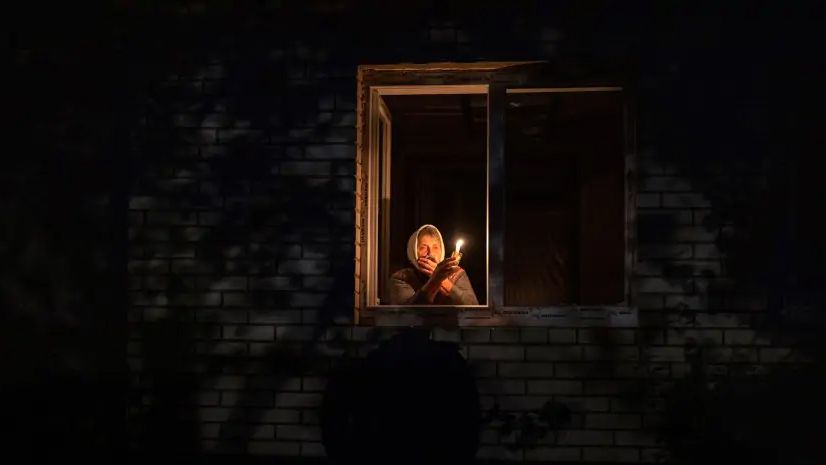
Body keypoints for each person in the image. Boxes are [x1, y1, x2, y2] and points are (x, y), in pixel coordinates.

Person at [386, 224, 479, 305]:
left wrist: (443, 280)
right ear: (413, 252)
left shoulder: (456, 273)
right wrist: (434, 280)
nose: (430, 253)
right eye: (423, 248)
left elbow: (473, 307)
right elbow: (407, 314)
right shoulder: (402, 278)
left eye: (435, 247)